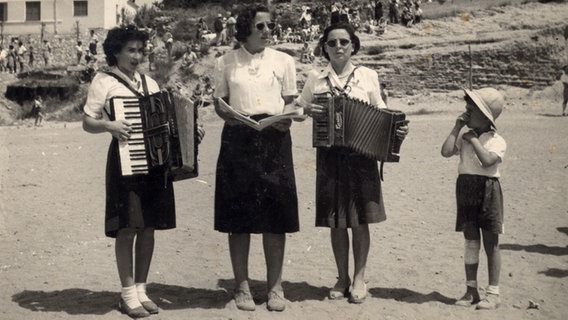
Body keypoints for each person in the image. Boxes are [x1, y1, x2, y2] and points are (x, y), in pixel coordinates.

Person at [297, 22, 408, 304]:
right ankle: (341, 277)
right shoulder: (315, 77)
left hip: (361, 157)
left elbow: (382, 112)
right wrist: (307, 109)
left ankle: (359, 278)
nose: (338, 47)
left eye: (344, 42)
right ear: (324, 47)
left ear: (353, 45)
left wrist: (397, 128)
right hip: (330, 156)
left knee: (359, 221)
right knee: (336, 221)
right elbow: (298, 109)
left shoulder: (368, 75)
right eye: (332, 43)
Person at [82, 25, 180, 319]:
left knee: (148, 227)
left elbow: (166, 122)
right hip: (124, 161)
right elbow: (88, 121)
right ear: (116, 52)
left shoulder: (150, 83)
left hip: (153, 164)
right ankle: (126, 294)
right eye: (131, 50)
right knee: (127, 228)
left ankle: (141, 290)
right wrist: (110, 126)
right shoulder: (103, 81)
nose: (137, 56)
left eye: (140, 50)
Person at [212, 4, 300, 312]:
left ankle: (275, 287)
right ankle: (242, 287)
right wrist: (229, 114)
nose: (267, 31)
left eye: (270, 26)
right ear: (245, 28)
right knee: (240, 217)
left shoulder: (284, 61)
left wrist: (287, 117)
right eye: (260, 26)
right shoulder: (225, 62)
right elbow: (220, 104)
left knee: (276, 216)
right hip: (238, 138)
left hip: (275, 138)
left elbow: (291, 103)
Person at [441, 87, 506, 310]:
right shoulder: (464, 133)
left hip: (488, 190)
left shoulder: (496, 140)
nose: (466, 112)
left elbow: (488, 161)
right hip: (466, 188)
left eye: (471, 109)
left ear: (486, 116)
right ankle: (471, 291)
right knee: (470, 241)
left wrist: (474, 141)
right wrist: (458, 127)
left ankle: (493, 293)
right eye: (466, 108)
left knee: (491, 242)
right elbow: (446, 151)